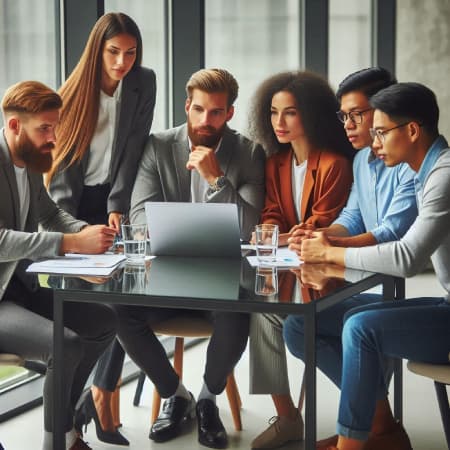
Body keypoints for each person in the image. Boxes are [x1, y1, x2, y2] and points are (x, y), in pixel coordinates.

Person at [285, 82, 450, 450]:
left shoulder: (443, 176)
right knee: (301, 323)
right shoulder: (429, 170)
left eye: (381, 132)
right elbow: (360, 221)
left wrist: (330, 254)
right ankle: (382, 430)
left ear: (411, 130)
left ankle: (351, 445)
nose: (374, 143)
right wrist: (326, 240)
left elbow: (407, 256)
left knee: (361, 327)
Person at [115, 68, 265, 449]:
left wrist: (217, 180)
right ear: (187, 106)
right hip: (166, 276)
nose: (204, 120)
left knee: (239, 309)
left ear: (229, 113)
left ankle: (206, 399)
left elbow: (248, 226)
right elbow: (140, 216)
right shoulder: (159, 146)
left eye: (215, 112)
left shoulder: (248, 153)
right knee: (117, 307)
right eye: (198, 110)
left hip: (223, 279)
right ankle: (173, 393)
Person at [46, 12, 157, 446]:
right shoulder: (70, 95)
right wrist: (71, 230)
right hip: (72, 206)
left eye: (130, 53)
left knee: (121, 299)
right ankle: (84, 406)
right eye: (113, 52)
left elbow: (133, 150)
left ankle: (95, 398)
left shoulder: (142, 83)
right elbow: (60, 174)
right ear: (98, 50)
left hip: (115, 198)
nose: (122, 62)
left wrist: (119, 205)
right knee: (90, 305)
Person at [0, 80, 117, 450]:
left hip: (20, 287)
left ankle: (65, 423)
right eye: (45, 129)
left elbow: (49, 213)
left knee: (103, 322)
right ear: (15, 126)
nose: (53, 138)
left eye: (55, 127)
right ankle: (60, 442)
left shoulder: (31, 161)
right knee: (64, 345)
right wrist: (69, 244)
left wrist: (88, 235)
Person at [246, 70, 354, 449]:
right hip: (288, 265)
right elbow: (272, 213)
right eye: (274, 113)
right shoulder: (275, 163)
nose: (279, 122)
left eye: (289, 113)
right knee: (260, 309)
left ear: (309, 114)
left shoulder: (335, 163)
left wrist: (284, 235)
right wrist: (279, 232)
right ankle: (287, 415)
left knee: (289, 315)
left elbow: (322, 224)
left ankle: (364, 411)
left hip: (327, 273)